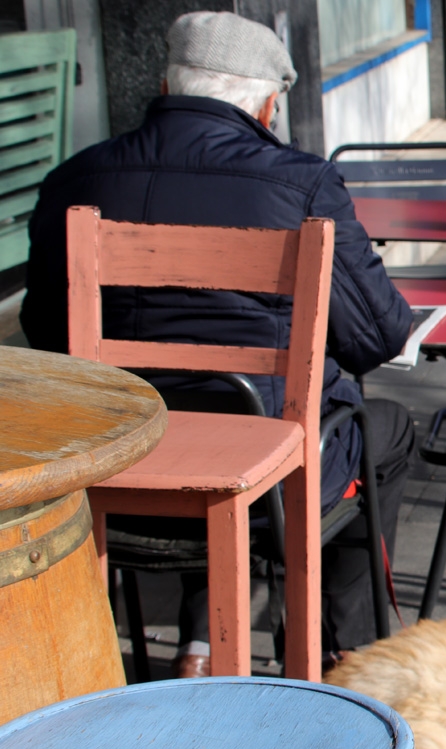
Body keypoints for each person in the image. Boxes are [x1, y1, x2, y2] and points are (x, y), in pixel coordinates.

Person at [21, 11, 415, 678]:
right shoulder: (303, 184)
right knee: (385, 428)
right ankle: (351, 651)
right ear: (267, 105)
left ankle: (198, 645)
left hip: (122, 464)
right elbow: (379, 335)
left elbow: (46, 331)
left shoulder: (73, 179)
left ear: (167, 81)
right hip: (266, 477)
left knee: (218, 424)